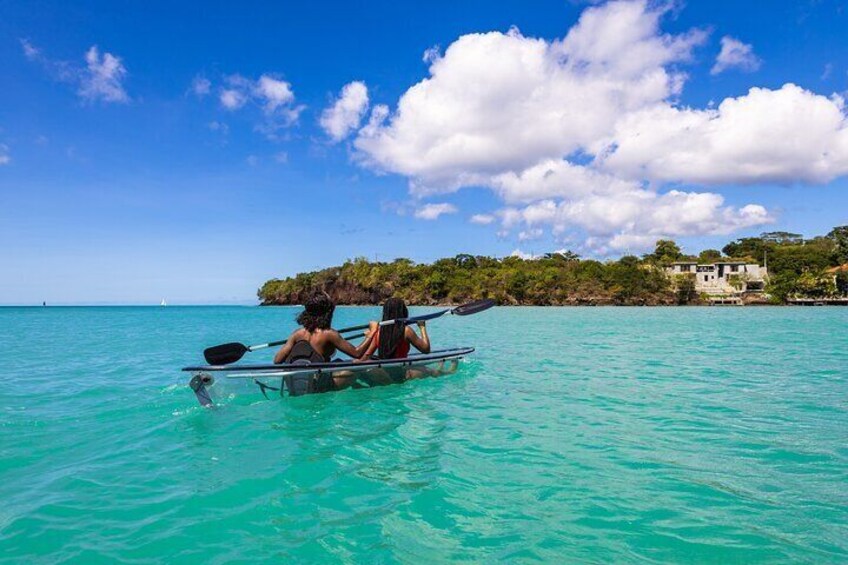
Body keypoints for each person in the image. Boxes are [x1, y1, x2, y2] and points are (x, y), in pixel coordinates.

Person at [273, 291, 373, 391]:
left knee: (339, 362)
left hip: (296, 385)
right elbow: (357, 353)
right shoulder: (329, 334)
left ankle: (356, 385)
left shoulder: (297, 334)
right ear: (328, 312)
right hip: (320, 386)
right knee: (359, 364)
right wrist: (371, 333)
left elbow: (277, 360)